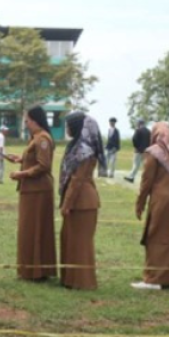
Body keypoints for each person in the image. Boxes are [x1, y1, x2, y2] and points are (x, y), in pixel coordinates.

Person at [132, 121, 169, 290]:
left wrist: (140, 202)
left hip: (162, 201)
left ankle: (154, 279)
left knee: (157, 237)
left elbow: (147, 181)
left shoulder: (154, 152)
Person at [9, 106, 57, 281]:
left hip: (38, 191)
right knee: (29, 230)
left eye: (27, 121)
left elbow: (44, 165)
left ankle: (36, 272)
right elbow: (34, 158)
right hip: (31, 190)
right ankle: (29, 270)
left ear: (35, 121)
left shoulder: (42, 138)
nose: (26, 124)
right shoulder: (35, 138)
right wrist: (20, 159)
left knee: (35, 230)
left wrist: (22, 174)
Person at [58, 111, 105, 290]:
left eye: (69, 125)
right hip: (77, 200)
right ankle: (70, 279)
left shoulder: (84, 151)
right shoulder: (75, 146)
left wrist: (67, 204)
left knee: (81, 243)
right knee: (70, 240)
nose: (67, 128)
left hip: (82, 201)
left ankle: (83, 281)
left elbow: (77, 180)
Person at [124, 118, 151, 183]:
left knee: (136, 164)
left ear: (139, 123)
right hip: (146, 151)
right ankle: (146, 178)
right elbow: (150, 141)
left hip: (138, 151)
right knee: (144, 165)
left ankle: (131, 177)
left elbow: (134, 139)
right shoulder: (149, 131)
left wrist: (136, 147)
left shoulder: (138, 130)